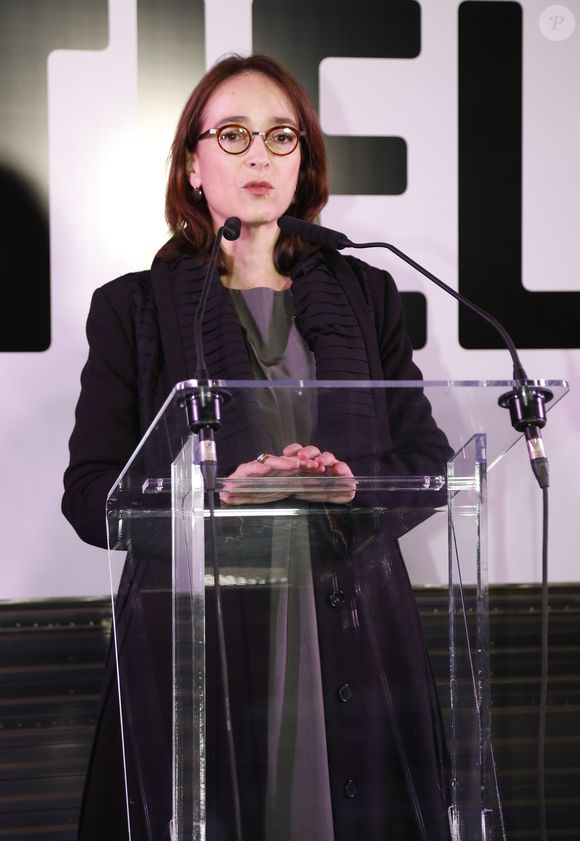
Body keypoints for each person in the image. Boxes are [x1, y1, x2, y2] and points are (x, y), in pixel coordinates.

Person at [63, 53, 452, 841]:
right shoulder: (132, 311)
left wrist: (354, 488)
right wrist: (211, 495)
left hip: (354, 628)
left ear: (304, 160)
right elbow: (90, 494)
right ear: (193, 164)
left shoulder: (367, 293)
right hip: (199, 635)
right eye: (233, 134)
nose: (259, 155)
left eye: (282, 136)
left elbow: (428, 462)